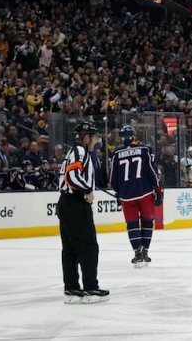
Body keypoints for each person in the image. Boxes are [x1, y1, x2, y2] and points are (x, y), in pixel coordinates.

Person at [57, 120, 109, 304]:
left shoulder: (73, 152)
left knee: (70, 249)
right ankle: (90, 288)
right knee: (88, 247)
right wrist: (87, 191)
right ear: (86, 138)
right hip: (76, 204)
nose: (95, 141)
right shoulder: (80, 151)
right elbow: (71, 176)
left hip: (65, 204)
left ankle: (71, 288)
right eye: (93, 137)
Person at [110, 125, 163, 267]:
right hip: (145, 193)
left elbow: (112, 179)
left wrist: (118, 192)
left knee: (132, 224)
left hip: (127, 196)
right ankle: (144, 251)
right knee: (147, 222)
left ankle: (137, 252)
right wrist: (159, 190)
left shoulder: (116, 153)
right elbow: (153, 172)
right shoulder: (145, 150)